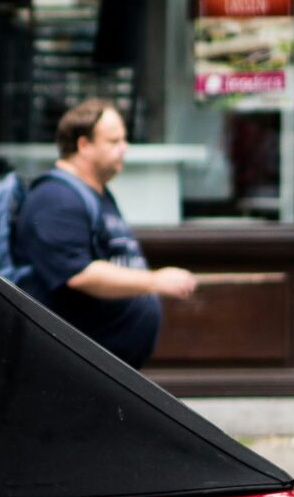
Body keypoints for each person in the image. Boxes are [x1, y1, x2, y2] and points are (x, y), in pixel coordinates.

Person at [12, 98, 198, 369]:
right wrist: (154, 281)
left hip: (101, 369)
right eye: (113, 141)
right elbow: (78, 274)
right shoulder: (56, 198)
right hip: (72, 366)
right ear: (83, 145)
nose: (125, 148)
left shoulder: (94, 192)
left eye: (124, 140)